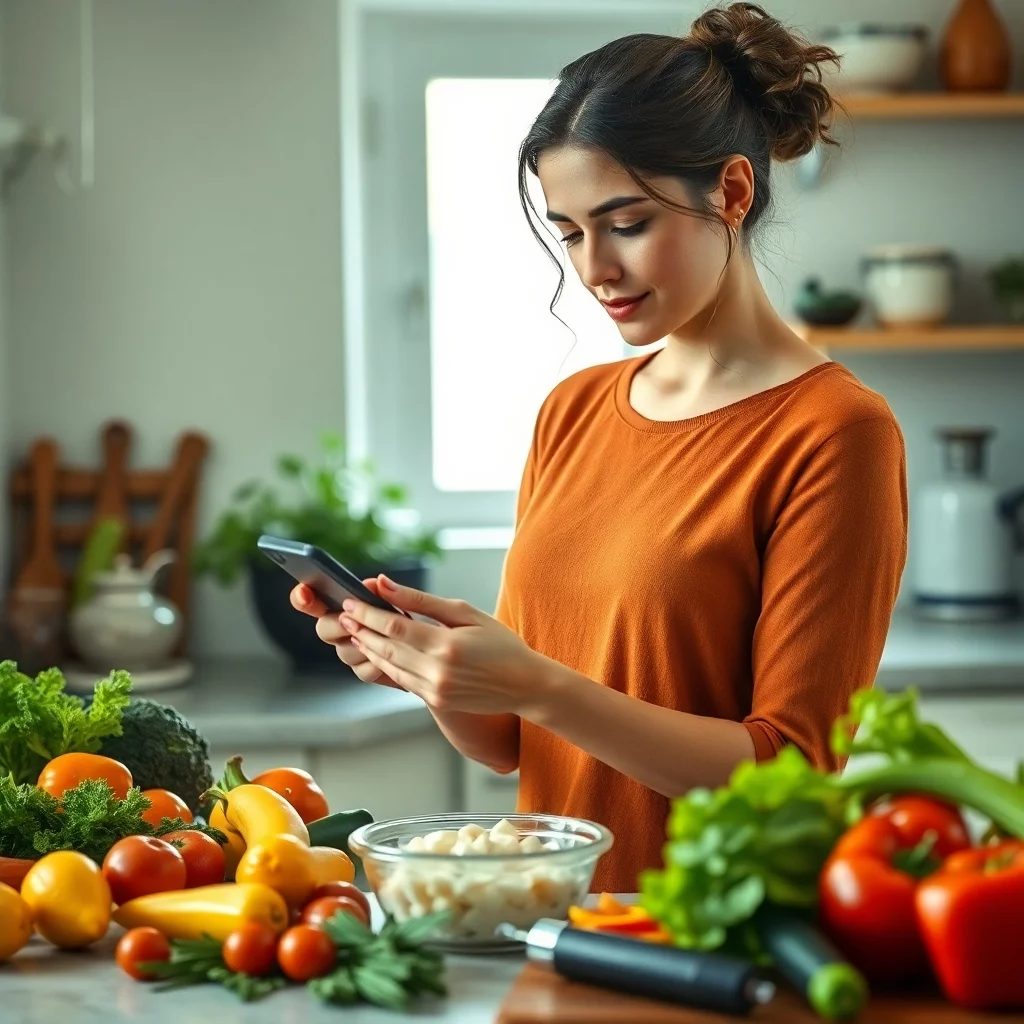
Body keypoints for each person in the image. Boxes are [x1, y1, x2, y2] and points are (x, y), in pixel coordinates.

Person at [292, 2, 908, 893]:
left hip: (712, 939)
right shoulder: (571, 412)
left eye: (624, 224)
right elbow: (512, 746)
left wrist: (538, 684)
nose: (593, 270)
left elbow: (793, 777)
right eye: (570, 232)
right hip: (557, 925)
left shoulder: (835, 432)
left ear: (732, 192)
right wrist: (432, 671)